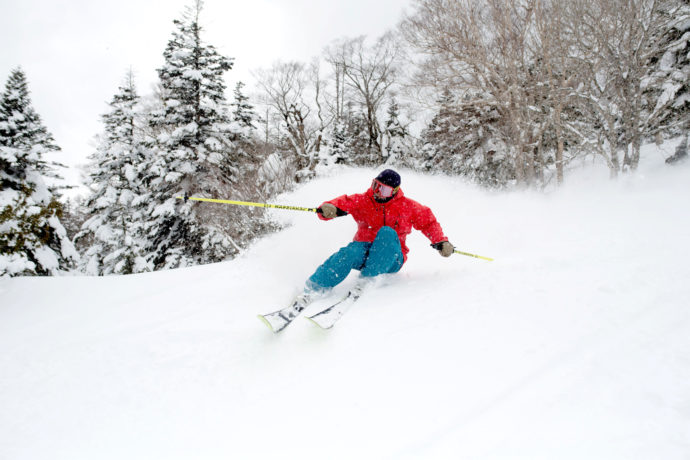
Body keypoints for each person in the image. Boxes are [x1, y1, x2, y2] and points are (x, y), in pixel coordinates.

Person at [301, 168, 454, 303]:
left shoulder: (407, 206)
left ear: (394, 191)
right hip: (366, 253)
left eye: (384, 190)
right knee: (350, 251)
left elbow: (429, 223)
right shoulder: (363, 201)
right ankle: (316, 286)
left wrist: (441, 241)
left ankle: (368, 279)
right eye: (376, 186)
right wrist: (330, 208)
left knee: (386, 232)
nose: (378, 192)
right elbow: (344, 203)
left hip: (392, 258)